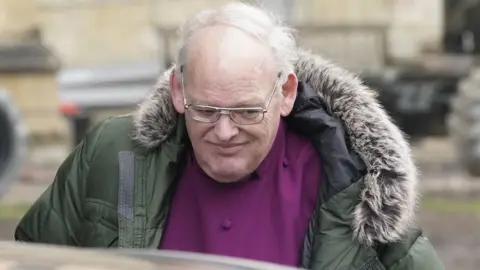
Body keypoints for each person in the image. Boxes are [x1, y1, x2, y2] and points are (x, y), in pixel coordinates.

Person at [14, 2, 443, 269]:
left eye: (246, 111)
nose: (223, 131)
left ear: (286, 93)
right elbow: (28, 257)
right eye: (205, 109)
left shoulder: (354, 185)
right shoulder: (113, 155)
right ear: (179, 90)